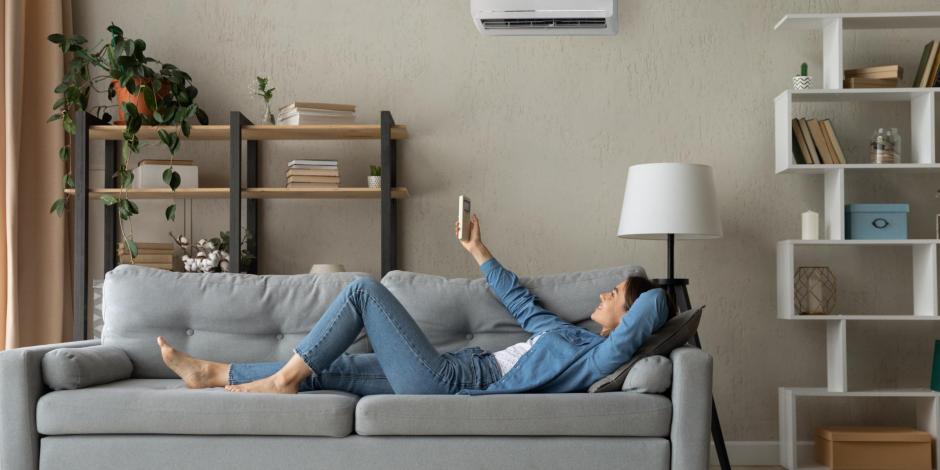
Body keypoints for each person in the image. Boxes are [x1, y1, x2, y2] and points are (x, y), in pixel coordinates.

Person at [158, 214, 671, 395]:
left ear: (628, 319)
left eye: (616, 296)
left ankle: (280, 381)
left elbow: (655, 308)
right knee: (331, 368)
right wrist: (477, 248)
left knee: (363, 291)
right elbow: (518, 298)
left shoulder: (600, 358)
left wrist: (647, 292)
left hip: (456, 384)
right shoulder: (567, 335)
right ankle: (216, 374)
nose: (604, 295)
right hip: (451, 368)